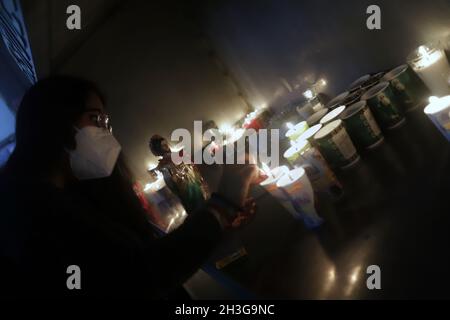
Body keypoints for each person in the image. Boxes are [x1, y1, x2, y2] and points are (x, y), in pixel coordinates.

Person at [0, 75, 258, 299]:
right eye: (96, 119)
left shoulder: (59, 196)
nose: (107, 134)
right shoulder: (33, 211)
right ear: (56, 120)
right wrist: (222, 204)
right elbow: (137, 278)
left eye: (107, 123)